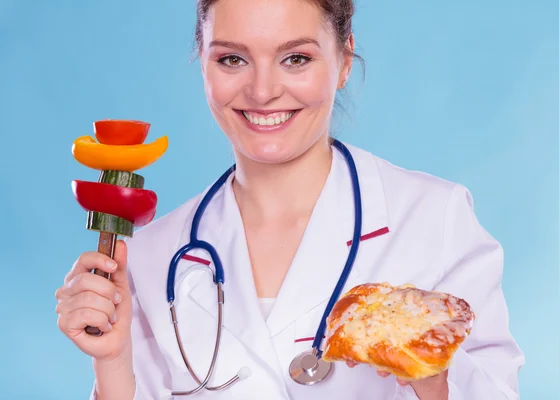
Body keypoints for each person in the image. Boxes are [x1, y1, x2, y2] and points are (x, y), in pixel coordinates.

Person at [55, 0, 525, 399]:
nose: (262, 91)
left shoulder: (433, 219)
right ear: (203, 61)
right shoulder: (155, 254)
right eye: (232, 60)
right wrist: (112, 363)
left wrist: (431, 366)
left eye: (295, 58)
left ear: (343, 60)